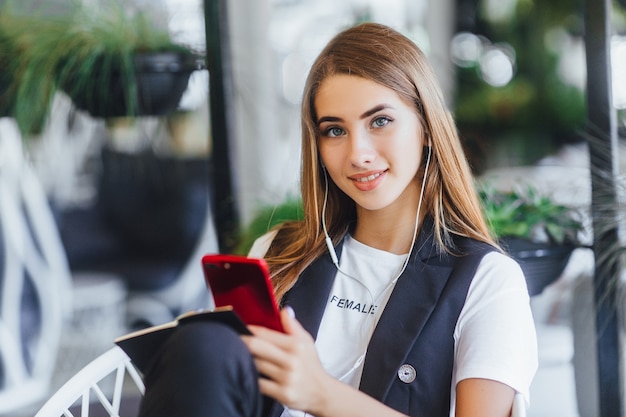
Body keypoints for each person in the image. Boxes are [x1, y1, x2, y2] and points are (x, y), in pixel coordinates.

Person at [136, 22, 537, 417]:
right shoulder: (280, 255)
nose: (358, 153)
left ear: (427, 127)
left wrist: (322, 395)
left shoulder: (487, 281)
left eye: (380, 121)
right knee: (200, 347)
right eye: (334, 130)